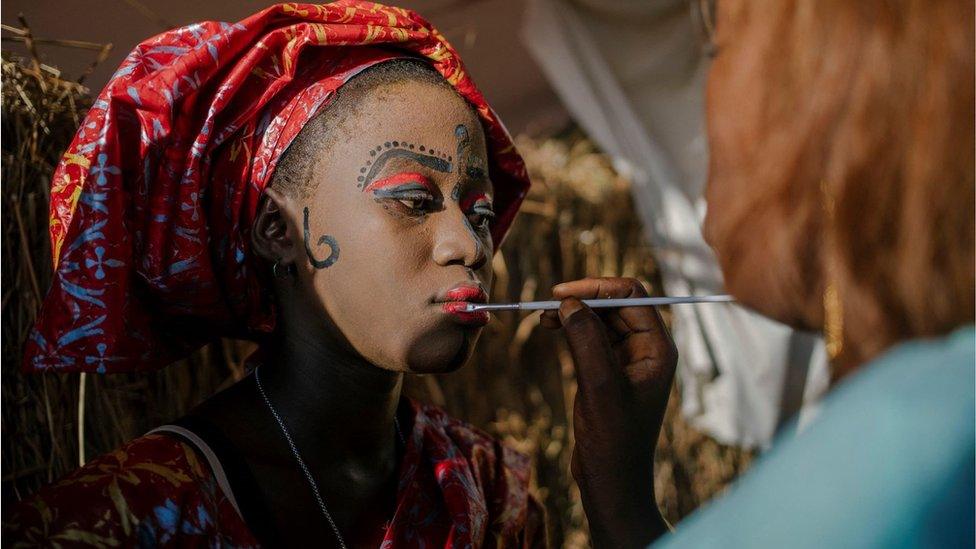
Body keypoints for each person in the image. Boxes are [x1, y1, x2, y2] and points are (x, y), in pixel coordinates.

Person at [8, 2, 547, 547]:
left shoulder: (493, 494)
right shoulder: (120, 520)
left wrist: (615, 489)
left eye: (479, 212)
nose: (469, 246)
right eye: (411, 199)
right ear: (278, 229)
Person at [541, 0, 975, 547]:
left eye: (714, 50)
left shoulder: (913, 442)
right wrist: (621, 501)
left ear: (836, 95)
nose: (703, 102)